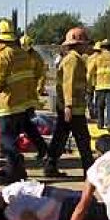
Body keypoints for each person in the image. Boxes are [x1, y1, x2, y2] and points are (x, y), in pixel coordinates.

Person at [0, 20, 46, 181]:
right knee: (13, 137)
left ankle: (15, 173)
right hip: (21, 102)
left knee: (7, 141)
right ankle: (12, 168)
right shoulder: (22, 53)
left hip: (7, 103)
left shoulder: (2, 56)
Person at [44, 27, 95, 177]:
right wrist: (68, 106)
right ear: (78, 44)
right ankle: (89, 171)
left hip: (70, 107)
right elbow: (69, 83)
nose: (87, 46)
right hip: (73, 108)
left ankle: (50, 166)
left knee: (60, 138)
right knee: (83, 140)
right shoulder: (73, 60)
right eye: (85, 43)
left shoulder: (74, 59)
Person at [20, 34, 51, 163]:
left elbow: (41, 74)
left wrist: (39, 88)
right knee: (26, 124)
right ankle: (42, 148)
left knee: (23, 123)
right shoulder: (20, 55)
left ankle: (41, 148)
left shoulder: (35, 57)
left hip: (28, 95)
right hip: (20, 95)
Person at [85, 41, 102, 122]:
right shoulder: (102, 58)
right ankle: (97, 113)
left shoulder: (90, 58)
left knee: (89, 98)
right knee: (98, 98)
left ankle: (92, 113)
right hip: (99, 81)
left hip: (89, 80)